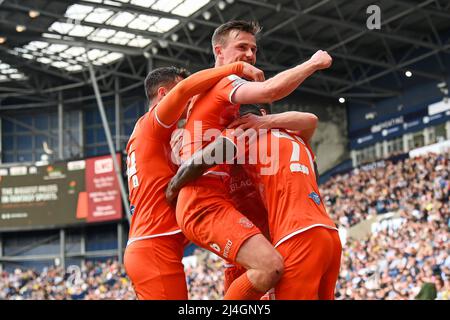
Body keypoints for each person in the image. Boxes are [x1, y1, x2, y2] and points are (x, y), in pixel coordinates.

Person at [174, 20, 333, 299]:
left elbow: (307, 120)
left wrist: (266, 121)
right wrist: (312, 63)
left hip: (246, 221)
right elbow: (278, 98)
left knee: (265, 272)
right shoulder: (228, 93)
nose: (249, 54)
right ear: (218, 50)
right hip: (215, 208)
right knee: (270, 267)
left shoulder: (238, 121)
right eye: (242, 47)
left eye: (253, 49)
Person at [167, 104, 342, 299]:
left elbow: (198, 163)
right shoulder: (298, 138)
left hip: (292, 235)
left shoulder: (245, 134)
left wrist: (174, 180)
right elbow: (311, 120)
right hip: (327, 234)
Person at [123, 61, 265, 299]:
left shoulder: (155, 139)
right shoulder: (151, 125)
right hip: (155, 247)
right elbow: (184, 90)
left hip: (152, 246)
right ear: (163, 94)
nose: (190, 102)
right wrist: (237, 68)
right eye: (184, 94)